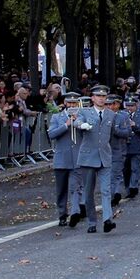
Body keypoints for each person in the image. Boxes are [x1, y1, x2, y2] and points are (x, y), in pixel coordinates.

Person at [76, 85, 117, 234]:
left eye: (103, 96)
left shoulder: (111, 114)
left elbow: (111, 134)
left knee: (106, 190)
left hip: (104, 155)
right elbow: (77, 122)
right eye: (98, 96)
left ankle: (107, 220)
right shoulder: (85, 112)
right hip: (88, 156)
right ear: (92, 98)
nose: (101, 98)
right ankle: (92, 221)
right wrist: (82, 125)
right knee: (88, 192)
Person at [46, 92, 84, 227]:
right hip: (61, 159)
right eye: (70, 103)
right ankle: (62, 214)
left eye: (75, 103)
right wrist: (66, 125)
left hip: (77, 159)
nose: (72, 106)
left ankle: (75, 212)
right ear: (65, 103)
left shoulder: (82, 116)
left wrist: (80, 123)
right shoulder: (57, 117)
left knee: (75, 187)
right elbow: (51, 134)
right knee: (61, 190)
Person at [121, 96, 140, 198]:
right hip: (124, 146)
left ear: (136, 105)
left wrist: (135, 126)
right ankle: (127, 188)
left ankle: (134, 187)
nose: (130, 108)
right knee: (126, 169)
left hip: (136, 145)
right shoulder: (122, 115)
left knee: (135, 168)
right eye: (128, 106)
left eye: (132, 106)